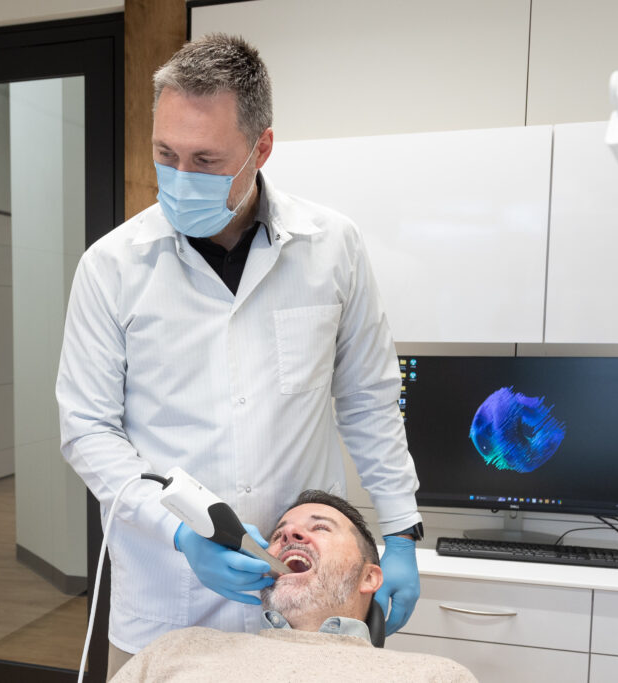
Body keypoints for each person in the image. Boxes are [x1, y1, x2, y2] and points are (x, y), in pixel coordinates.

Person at [56, 33, 423, 677]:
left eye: (205, 159)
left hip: (305, 603)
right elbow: (88, 431)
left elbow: (368, 397)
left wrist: (399, 531)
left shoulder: (332, 248)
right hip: (165, 600)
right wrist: (176, 535)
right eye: (165, 154)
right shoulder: (111, 267)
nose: (178, 179)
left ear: (262, 148)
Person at [108, 491, 476, 683]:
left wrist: (400, 536)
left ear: (370, 577)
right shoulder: (177, 650)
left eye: (320, 528)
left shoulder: (433, 676)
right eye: (278, 533)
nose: (289, 535)